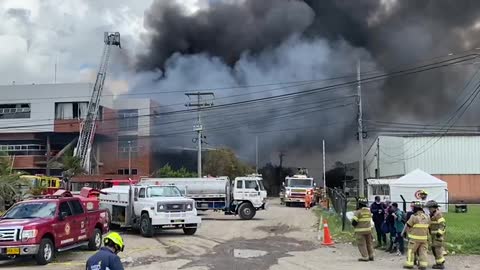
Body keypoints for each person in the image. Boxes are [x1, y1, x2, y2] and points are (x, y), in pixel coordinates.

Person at [404, 201, 430, 270]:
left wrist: (407, 234)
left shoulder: (414, 217)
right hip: (424, 239)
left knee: (411, 251)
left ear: (415, 209)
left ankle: (409, 264)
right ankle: (423, 265)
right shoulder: (427, 217)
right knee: (423, 252)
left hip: (414, 239)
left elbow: (408, 225)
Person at [352, 198, 374, 262]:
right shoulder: (368, 211)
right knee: (369, 243)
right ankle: (371, 255)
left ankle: (365, 257)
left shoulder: (358, 212)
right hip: (368, 230)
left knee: (362, 244)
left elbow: (354, 222)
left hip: (360, 231)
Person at [426, 200, 446, 269]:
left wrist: (439, 233)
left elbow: (442, 224)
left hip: (437, 235)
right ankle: (439, 262)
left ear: (433, 207)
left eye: (429, 208)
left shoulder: (438, 214)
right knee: (434, 248)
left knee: (437, 248)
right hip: (433, 235)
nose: (429, 209)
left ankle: (440, 264)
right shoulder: (432, 214)